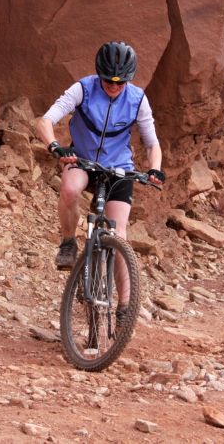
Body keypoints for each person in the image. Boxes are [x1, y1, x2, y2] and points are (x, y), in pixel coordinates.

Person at [35, 41, 165, 316]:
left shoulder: (137, 99)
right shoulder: (83, 89)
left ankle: (126, 305)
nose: (114, 86)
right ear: (99, 74)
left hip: (119, 167)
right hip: (82, 160)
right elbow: (45, 120)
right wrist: (55, 146)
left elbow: (152, 143)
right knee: (70, 190)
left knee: (119, 234)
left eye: (121, 82)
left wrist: (154, 169)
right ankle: (68, 242)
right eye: (108, 81)